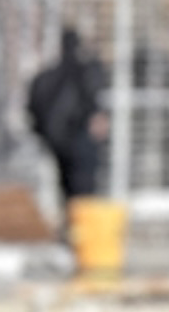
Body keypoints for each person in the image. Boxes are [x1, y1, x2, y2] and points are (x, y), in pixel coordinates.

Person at [23, 26, 108, 200]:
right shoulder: (84, 73)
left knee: (67, 191)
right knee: (83, 194)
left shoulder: (47, 77)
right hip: (79, 141)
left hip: (56, 143)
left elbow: (33, 108)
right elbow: (93, 103)